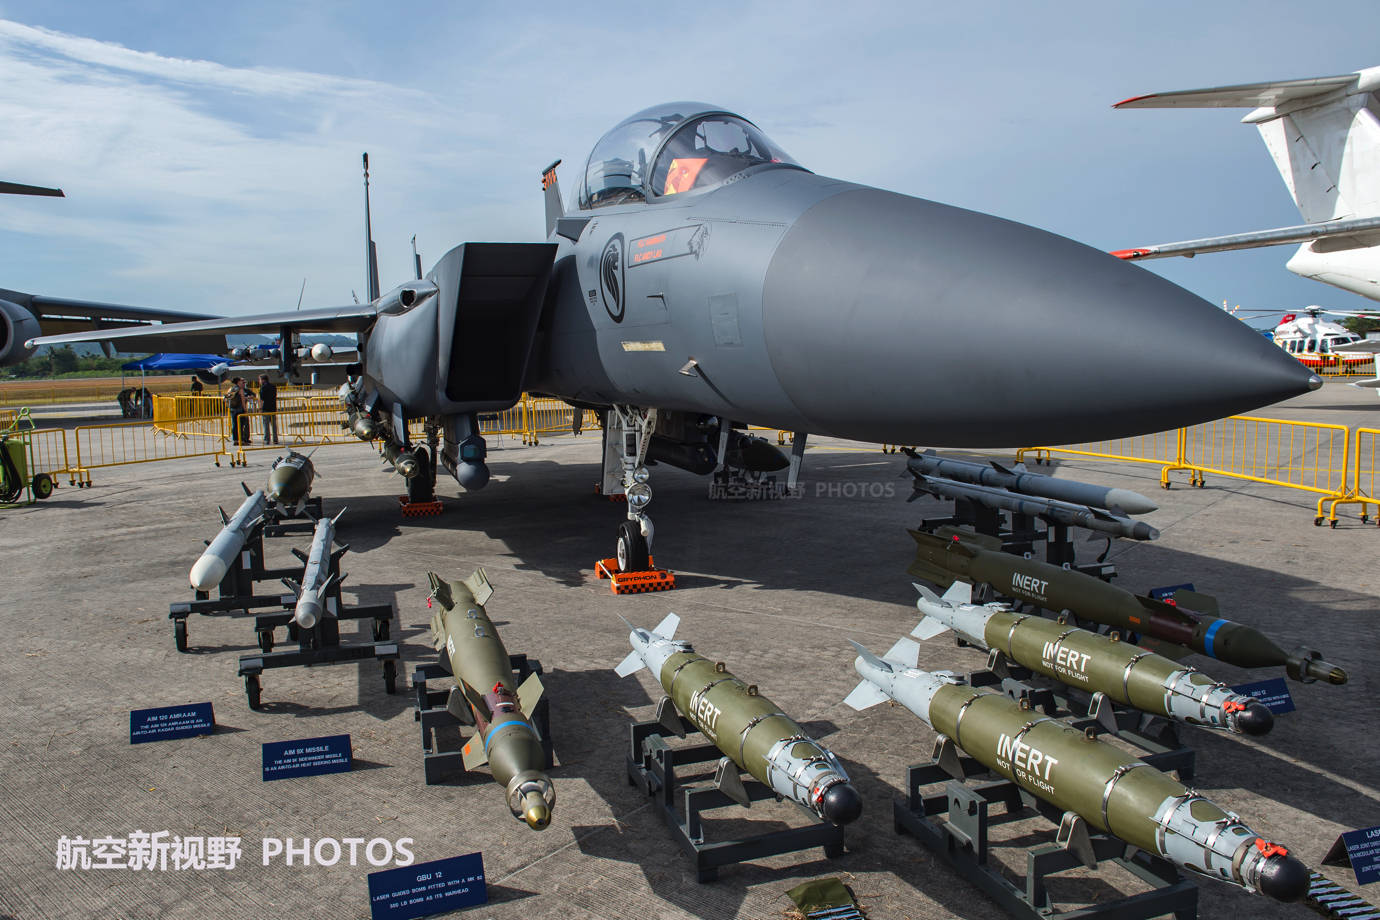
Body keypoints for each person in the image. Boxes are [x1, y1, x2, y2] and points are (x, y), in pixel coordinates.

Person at [225, 377, 247, 446]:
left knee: (234, 425)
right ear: (238, 382)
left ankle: (235, 440)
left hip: (232, 409)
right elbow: (243, 399)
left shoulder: (230, 389)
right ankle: (241, 440)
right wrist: (245, 408)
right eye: (241, 381)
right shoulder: (240, 390)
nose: (242, 382)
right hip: (239, 409)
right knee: (240, 425)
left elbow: (226, 398)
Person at [258, 374, 278, 445]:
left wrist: (260, 408)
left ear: (263, 380)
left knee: (266, 425)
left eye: (260, 380)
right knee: (274, 425)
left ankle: (267, 439)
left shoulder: (263, 388)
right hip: (273, 407)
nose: (259, 381)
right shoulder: (273, 386)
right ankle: (275, 439)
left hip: (266, 408)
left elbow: (261, 399)